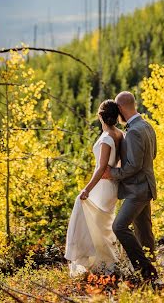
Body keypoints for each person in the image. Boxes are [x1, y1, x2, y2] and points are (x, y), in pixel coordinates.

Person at [103, 91, 158, 282]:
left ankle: (145, 269)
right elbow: (153, 155)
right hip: (147, 186)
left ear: (120, 109)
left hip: (138, 190)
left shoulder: (134, 131)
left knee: (119, 227)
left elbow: (134, 165)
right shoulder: (147, 125)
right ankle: (152, 269)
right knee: (144, 230)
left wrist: (113, 173)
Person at [65, 99, 124, 276]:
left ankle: (105, 265)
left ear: (100, 116)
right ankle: (106, 262)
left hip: (103, 186)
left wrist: (87, 189)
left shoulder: (107, 138)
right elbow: (117, 162)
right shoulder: (120, 134)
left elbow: (102, 167)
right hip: (112, 184)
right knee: (102, 225)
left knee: (96, 224)